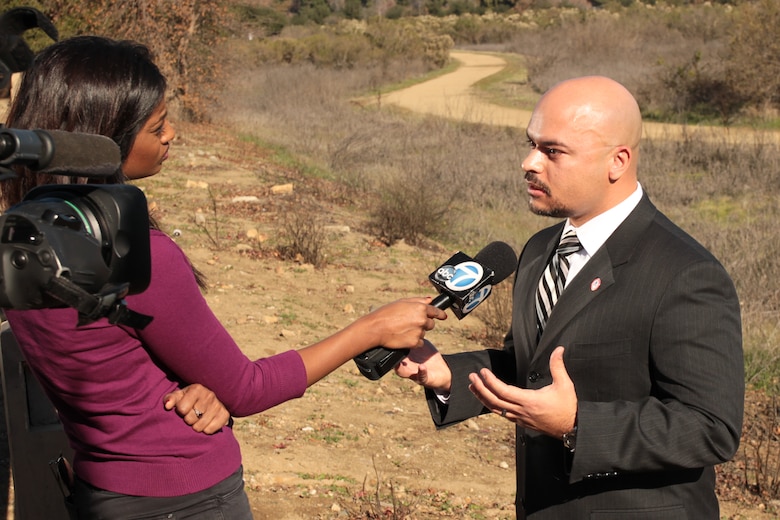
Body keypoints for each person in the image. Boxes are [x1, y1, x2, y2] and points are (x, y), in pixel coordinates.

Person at [0, 35, 446, 519]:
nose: (172, 134)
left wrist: (203, 386)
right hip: (186, 497)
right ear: (101, 139)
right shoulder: (140, 257)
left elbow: (115, 364)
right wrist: (371, 330)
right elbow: (246, 388)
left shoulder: (22, 240)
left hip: (100, 490)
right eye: (156, 125)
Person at [395, 76, 744, 519]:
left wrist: (577, 424)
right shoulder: (540, 250)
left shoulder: (686, 274)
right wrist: (447, 374)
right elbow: (531, 367)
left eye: (552, 151)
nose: (529, 162)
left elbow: (711, 428)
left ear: (617, 161)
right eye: (531, 144)